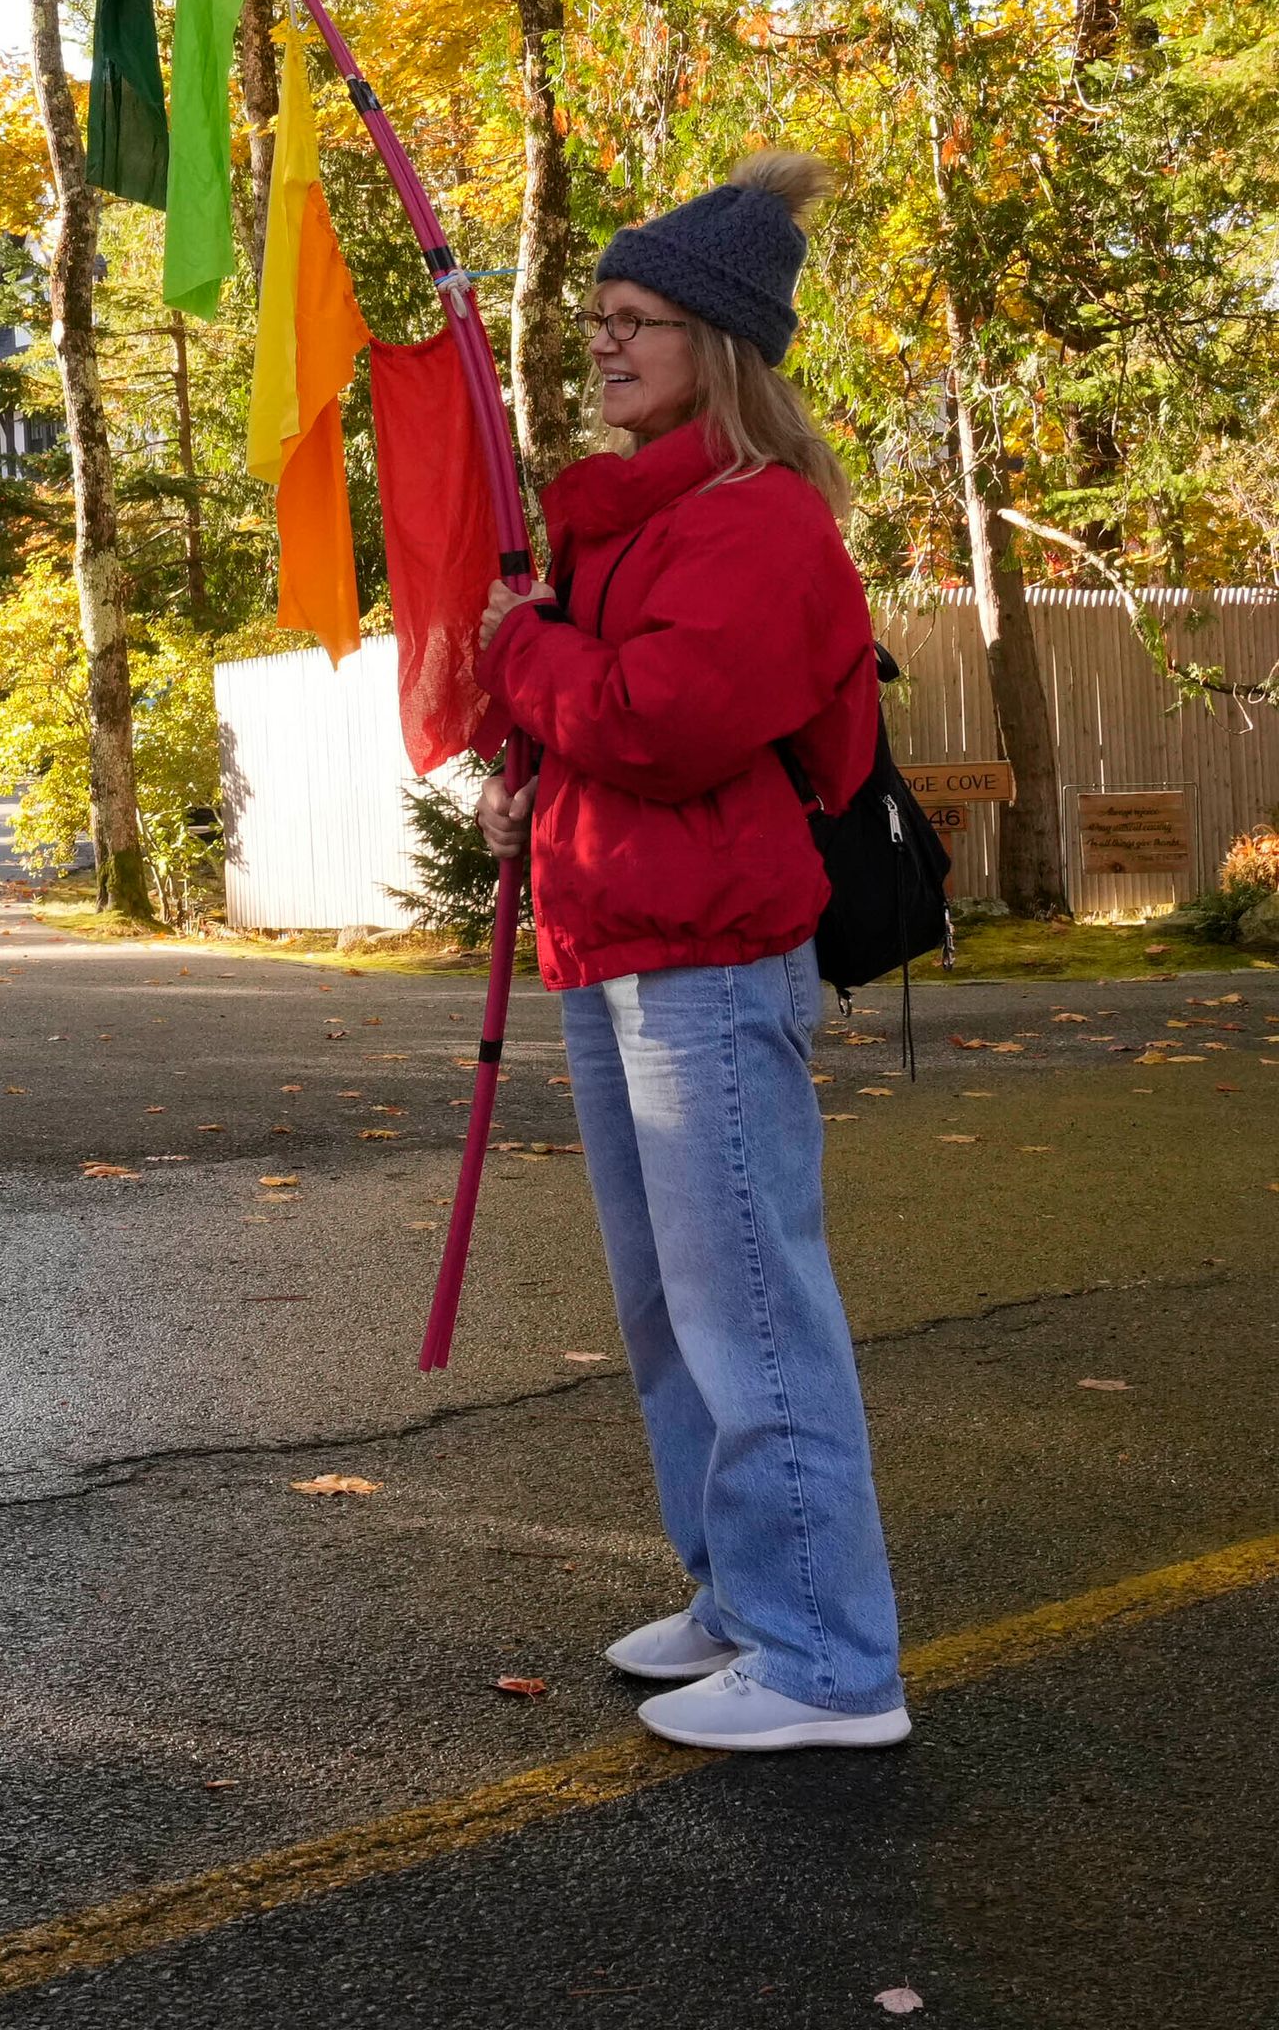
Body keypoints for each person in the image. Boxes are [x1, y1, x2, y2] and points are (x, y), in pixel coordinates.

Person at [472, 151, 908, 1753]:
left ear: (718, 343)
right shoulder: (630, 520)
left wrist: (529, 656)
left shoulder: (758, 524)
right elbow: (607, 727)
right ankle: (744, 1594)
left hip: (710, 958)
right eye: (596, 314)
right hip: (621, 937)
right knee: (670, 1308)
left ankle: (831, 1665)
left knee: (752, 1315)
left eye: (636, 318)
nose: (601, 341)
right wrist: (536, 763)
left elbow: (661, 722)